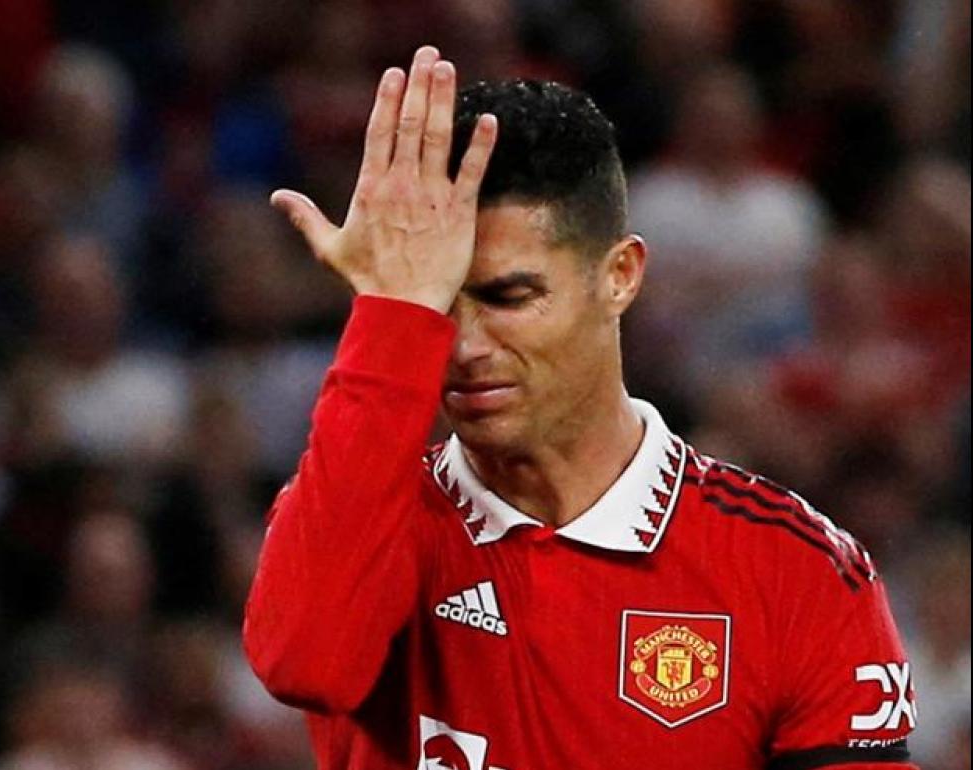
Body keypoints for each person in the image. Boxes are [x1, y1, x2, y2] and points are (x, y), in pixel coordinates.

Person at [243, 46, 918, 770]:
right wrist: (391, 314)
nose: (462, 345)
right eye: (438, 304)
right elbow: (303, 666)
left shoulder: (798, 572)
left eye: (508, 297)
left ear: (620, 275)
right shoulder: (364, 520)